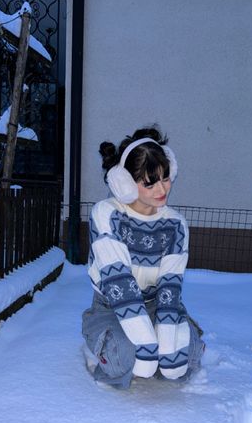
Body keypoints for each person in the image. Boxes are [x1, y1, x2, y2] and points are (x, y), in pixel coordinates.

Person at [82, 125, 205, 388]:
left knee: (186, 357)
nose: (162, 189)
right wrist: (147, 344)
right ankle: (98, 346)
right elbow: (120, 285)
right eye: (150, 182)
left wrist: (168, 342)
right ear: (125, 184)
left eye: (165, 177)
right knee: (126, 359)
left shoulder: (175, 224)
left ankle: (157, 350)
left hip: (155, 304)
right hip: (111, 307)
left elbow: (170, 288)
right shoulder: (107, 214)